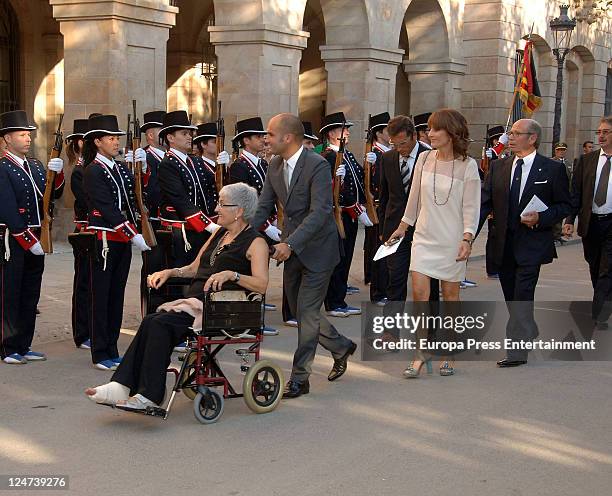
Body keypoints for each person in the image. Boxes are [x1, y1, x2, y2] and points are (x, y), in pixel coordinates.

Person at [85, 183, 269, 410]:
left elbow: (261, 285)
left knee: (160, 324)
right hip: (196, 303)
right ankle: (121, 386)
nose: (216, 208)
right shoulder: (219, 234)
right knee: (151, 320)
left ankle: (149, 395)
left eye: (222, 204)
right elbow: (194, 268)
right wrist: (170, 272)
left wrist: (233, 274)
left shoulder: (256, 242)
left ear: (239, 210)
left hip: (220, 309)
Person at [251, 113, 357, 398]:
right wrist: (240, 234)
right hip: (293, 248)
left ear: (287, 137)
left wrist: (290, 244)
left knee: (307, 312)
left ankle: (300, 377)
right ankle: (340, 346)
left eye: (270, 135)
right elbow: (263, 207)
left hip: (319, 248)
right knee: (300, 311)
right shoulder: (274, 166)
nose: (265, 139)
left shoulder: (317, 165)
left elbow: (321, 211)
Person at [390, 109, 481, 377]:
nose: (428, 134)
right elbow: (414, 197)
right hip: (424, 237)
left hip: (452, 239)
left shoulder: (468, 165)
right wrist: (402, 227)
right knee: (419, 294)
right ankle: (420, 352)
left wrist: (467, 238)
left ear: (451, 132)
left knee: (450, 297)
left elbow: (471, 207)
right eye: (428, 129)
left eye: (434, 129)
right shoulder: (425, 158)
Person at [479, 118, 571, 367]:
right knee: (511, 295)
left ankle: (516, 351)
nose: (510, 137)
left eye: (516, 133)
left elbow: (564, 205)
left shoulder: (552, 169)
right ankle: (528, 327)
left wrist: (542, 217)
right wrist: (467, 236)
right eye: (511, 133)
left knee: (522, 294)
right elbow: (484, 203)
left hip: (532, 245)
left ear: (532, 138)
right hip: (503, 244)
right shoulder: (498, 167)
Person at [82, 114, 151, 370]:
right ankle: (100, 352)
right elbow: (106, 207)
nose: (115, 142)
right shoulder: (93, 170)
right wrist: (132, 233)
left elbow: (135, 198)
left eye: (116, 138)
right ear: (98, 141)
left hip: (121, 240)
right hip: (105, 240)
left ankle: (112, 347)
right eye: (111, 138)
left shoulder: (119, 167)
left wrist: (142, 171)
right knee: (101, 296)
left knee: (116, 295)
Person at [0, 110, 65, 365]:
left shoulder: (36, 165)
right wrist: (28, 240)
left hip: (37, 236)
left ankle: (24, 344)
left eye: (29, 135)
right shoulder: (3, 168)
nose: (27, 139)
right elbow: (6, 208)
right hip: (13, 239)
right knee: (10, 293)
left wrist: (57, 175)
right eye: (21, 135)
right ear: (6, 139)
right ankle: (8, 346)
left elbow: (52, 196)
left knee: (30, 293)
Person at [379, 115, 438, 307]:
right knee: (394, 281)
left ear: (414, 136)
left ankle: (431, 332)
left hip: (425, 228)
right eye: (394, 144)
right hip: (395, 228)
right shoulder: (387, 158)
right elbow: (385, 197)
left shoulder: (431, 157)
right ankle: (391, 334)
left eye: (403, 143)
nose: (399, 149)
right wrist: (383, 230)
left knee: (429, 284)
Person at [321, 111, 372, 317]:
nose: (348, 132)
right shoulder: (328, 156)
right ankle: (333, 302)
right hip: (339, 215)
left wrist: (373, 163)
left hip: (350, 216)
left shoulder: (346, 154)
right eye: (344, 129)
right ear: (332, 133)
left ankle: (339, 299)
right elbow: (338, 192)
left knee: (347, 257)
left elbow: (360, 180)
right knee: (338, 260)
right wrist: (357, 209)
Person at [563, 116, 612, 329]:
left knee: (607, 269)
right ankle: (603, 301)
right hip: (591, 222)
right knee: (594, 266)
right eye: (599, 132)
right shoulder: (587, 160)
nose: (600, 136)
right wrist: (569, 220)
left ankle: (599, 314)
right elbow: (576, 194)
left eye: (606, 132)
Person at [158, 111, 220, 268]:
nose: (189, 137)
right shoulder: (168, 164)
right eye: (184, 133)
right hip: (183, 231)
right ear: (170, 138)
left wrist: (223, 168)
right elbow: (180, 199)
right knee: (183, 274)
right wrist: (208, 224)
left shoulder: (195, 161)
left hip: (199, 228)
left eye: (190, 133)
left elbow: (212, 187)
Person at [67, 118, 91, 350]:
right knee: (83, 283)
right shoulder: (80, 171)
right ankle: (82, 332)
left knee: (97, 285)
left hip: (100, 233)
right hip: (86, 232)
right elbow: (88, 201)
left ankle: (93, 328)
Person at [363, 111, 390, 306]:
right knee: (378, 250)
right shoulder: (374, 154)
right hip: (377, 208)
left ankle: (384, 288)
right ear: (379, 133)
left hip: (386, 208)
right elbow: (370, 184)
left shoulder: (384, 153)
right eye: (388, 130)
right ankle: (378, 292)